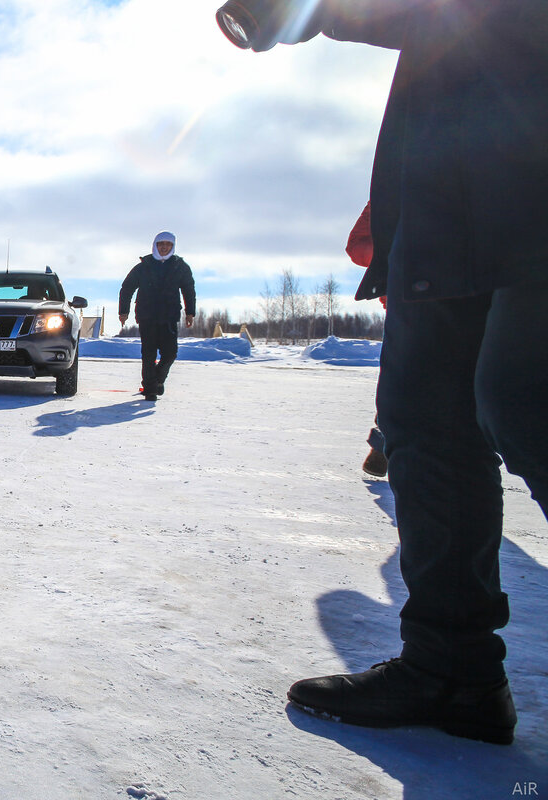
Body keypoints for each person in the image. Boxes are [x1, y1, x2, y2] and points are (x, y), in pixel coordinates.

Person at [281, 1, 548, 745]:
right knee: (422, 426)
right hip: (442, 215)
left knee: (525, 403)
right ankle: (451, 669)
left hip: (534, 188)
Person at [117, 232, 196, 400]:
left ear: (173, 246)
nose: (164, 247)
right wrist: (123, 311)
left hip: (169, 315)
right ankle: (151, 389)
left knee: (170, 353)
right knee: (149, 354)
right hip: (147, 315)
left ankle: (157, 380)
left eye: (168, 244)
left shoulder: (180, 266)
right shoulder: (144, 266)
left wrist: (190, 312)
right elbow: (127, 288)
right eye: (161, 244)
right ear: (155, 245)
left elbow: (189, 290)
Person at [346, 202, 388, 478]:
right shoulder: (396, 179)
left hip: (481, 304)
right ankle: (383, 444)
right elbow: (357, 246)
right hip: (411, 305)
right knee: (401, 386)